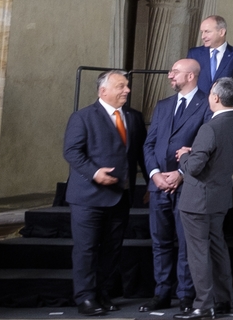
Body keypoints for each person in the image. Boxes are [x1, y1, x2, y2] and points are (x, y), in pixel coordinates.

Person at [63, 69, 146, 317]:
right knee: (86, 249)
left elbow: (142, 153)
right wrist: (95, 173)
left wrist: (151, 182)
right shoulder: (83, 117)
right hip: (88, 197)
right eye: (121, 86)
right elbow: (72, 151)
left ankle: (102, 293)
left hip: (120, 196)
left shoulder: (134, 117)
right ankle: (85, 298)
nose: (127, 90)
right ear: (103, 91)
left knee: (112, 249)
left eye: (127, 86)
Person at [174, 78, 233, 320]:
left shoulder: (209, 128)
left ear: (215, 97)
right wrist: (194, 153)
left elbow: (194, 168)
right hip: (221, 197)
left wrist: (185, 155)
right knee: (217, 249)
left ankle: (204, 305)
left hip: (198, 200)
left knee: (198, 253)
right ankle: (227, 301)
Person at [142, 58, 209, 313]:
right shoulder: (163, 105)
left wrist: (181, 173)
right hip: (158, 186)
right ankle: (161, 293)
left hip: (188, 185)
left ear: (191, 76)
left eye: (175, 72)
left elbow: (205, 146)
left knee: (186, 243)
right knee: (160, 243)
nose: (170, 75)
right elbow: (149, 144)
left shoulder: (207, 104)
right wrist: (155, 174)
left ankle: (186, 296)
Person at [188, 15, 233, 100]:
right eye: (202, 32)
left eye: (207, 32)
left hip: (223, 106)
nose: (203, 36)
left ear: (221, 32)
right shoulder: (194, 54)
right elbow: (187, 83)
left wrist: (226, 108)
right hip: (196, 106)